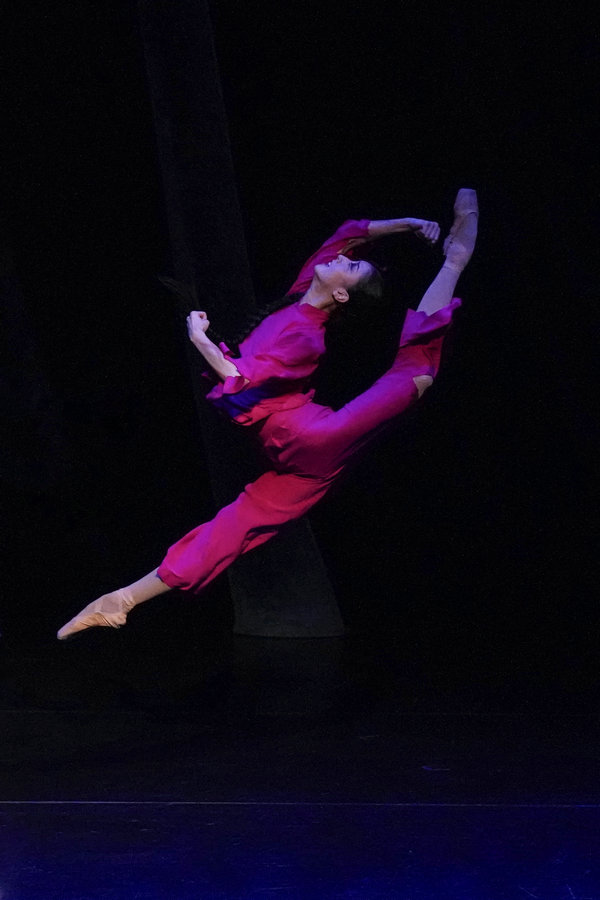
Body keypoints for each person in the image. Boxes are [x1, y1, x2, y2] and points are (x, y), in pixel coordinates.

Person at [57, 188, 478, 640]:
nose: (342, 259)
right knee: (233, 529)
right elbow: (347, 237)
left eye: (351, 268)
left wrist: (199, 339)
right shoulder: (300, 297)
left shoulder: (308, 338)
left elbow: (241, 378)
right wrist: (407, 224)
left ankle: (454, 262)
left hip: (315, 438)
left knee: (416, 377)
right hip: (288, 447)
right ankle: (122, 601)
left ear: (341, 293)